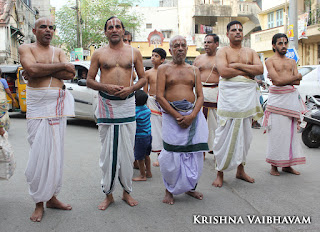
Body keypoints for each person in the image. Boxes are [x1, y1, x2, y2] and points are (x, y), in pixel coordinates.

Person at [18, 17, 75, 222]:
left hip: (57, 106)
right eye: (43, 26)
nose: (48, 30)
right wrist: (56, 67)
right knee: (39, 156)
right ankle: (38, 203)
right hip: (37, 106)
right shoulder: (26, 48)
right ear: (34, 30)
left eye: (52, 27)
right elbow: (31, 70)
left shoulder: (58, 50)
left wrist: (40, 67)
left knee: (55, 155)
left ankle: (51, 198)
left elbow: (71, 72)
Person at [86, 16, 146, 210]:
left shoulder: (134, 53)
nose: (114, 29)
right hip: (106, 104)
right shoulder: (99, 54)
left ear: (123, 31)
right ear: (106, 32)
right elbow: (89, 80)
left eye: (117, 26)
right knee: (107, 152)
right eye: (110, 27)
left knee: (127, 152)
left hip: (128, 104)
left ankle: (127, 192)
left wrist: (131, 89)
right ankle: (108, 194)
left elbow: (143, 79)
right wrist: (106, 86)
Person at [156, 35, 209, 205]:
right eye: (176, 45)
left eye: (183, 45)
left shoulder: (194, 70)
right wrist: (177, 115)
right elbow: (159, 96)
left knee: (193, 153)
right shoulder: (163, 69)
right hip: (172, 117)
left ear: (187, 49)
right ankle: (169, 190)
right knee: (171, 155)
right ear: (170, 50)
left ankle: (190, 187)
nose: (180, 48)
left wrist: (192, 115)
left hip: (192, 116)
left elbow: (200, 96)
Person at [212, 21, 264, 187]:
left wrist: (238, 66)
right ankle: (219, 172)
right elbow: (224, 72)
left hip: (246, 98)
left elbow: (260, 70)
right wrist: (248, 70)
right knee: (223, 135)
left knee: (245, 135)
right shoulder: (223, 52)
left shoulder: (251, 51)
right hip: (230, 98)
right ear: (227, 34)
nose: (238, 32)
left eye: (240, 30)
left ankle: (240, 170)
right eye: (233, 30)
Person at [264, 33, 306, 176]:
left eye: (285, 43)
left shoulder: (292, 62)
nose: (283, 46)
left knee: (290, 134)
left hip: (290, 100)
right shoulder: (270, 61)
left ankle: (287, 165)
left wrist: (287, 79)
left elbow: (296, 82)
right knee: (277, 133)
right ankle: (274, 166)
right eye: (280, 43)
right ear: (274, 45)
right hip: (277, 101)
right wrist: (296, 76)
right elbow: (277, 81)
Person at [193, 34, 220, 156]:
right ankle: (200, 151)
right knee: (199, 123)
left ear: (216, 44)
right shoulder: (198, 59)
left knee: (214, 125)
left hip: (215, 92)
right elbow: (191, 75)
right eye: (205, 42)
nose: (206, 45)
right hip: (199, 92)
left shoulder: (221, 59)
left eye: (209, 42)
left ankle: (215, 148)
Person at [143, 48, 166, 167]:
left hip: (164, 103)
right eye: (152, 55)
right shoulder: (147, 73)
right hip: (152, 102)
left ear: (162, 60)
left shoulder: (166, 72)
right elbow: (145, 91)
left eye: (156, 56)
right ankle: (157, 157)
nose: (153, 58)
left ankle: (164, 157)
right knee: (155, 131)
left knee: (164, 130)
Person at [132, 90, 152, 181]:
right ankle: (148, 172)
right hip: (148, 135)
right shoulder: (147, 109)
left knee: (140, 157)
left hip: (139, 137)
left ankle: (142, 175)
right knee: (146, 155)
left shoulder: (135, 111)